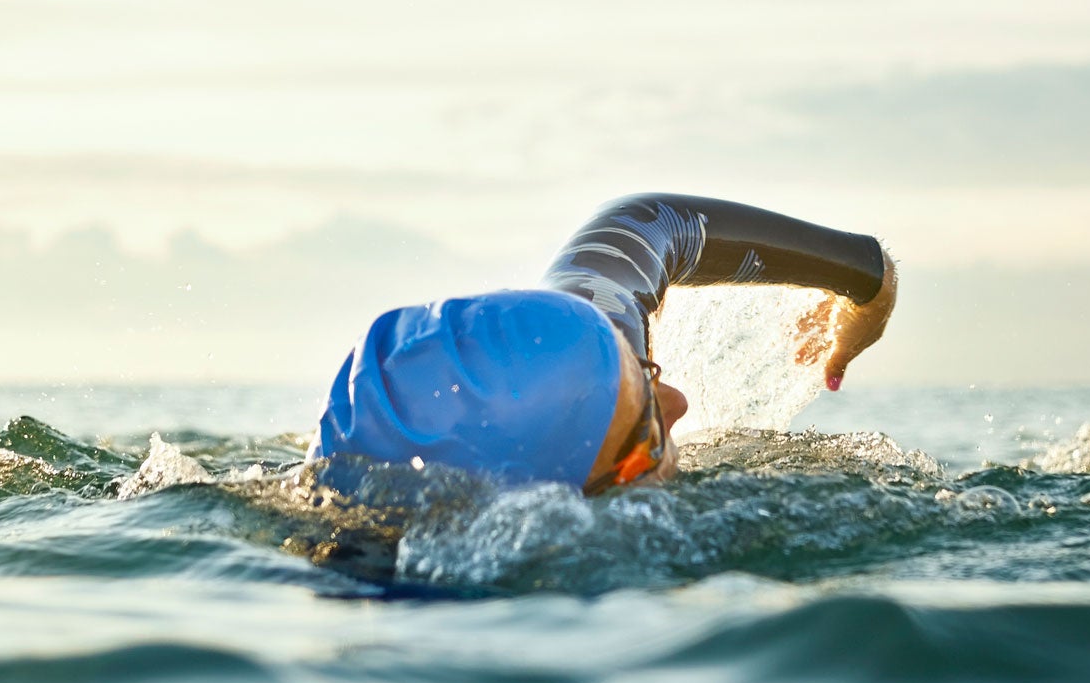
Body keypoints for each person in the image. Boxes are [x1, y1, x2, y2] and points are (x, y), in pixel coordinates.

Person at [316, 194, 896, 496]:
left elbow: (647, 222)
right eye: (643, 443)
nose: (677, 404)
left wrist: (871, 284)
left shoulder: (588, 349)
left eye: (644, 369)